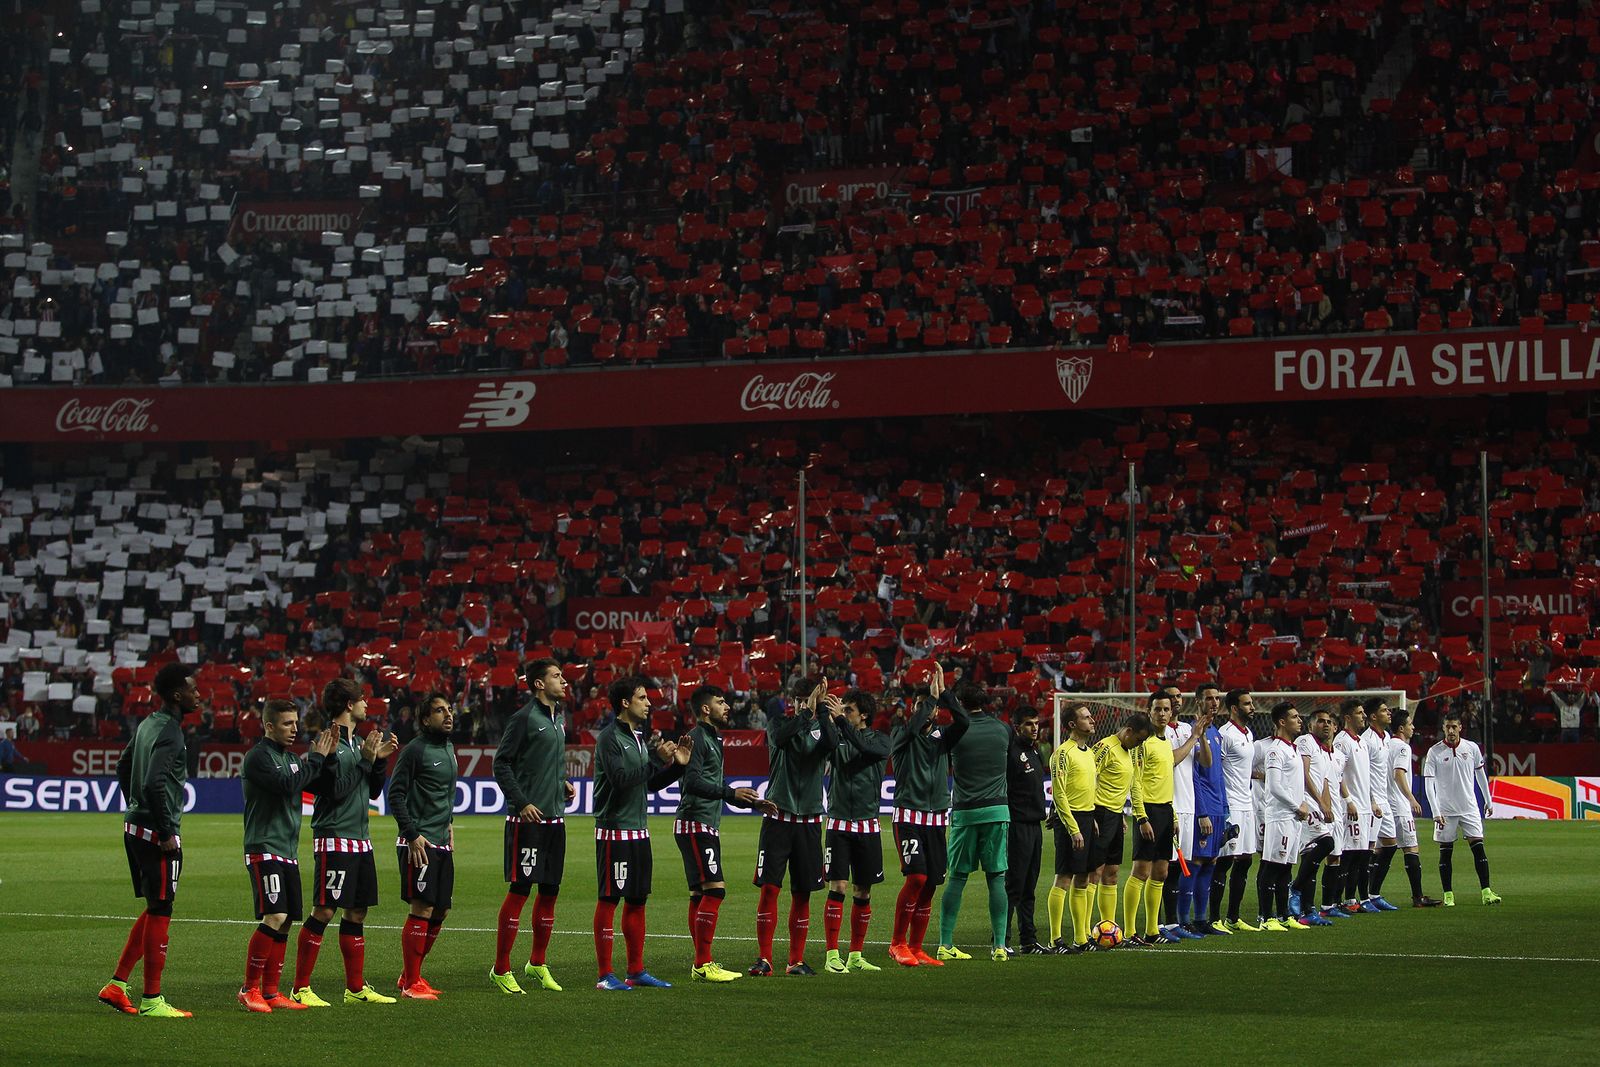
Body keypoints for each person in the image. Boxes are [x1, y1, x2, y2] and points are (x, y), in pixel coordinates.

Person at [100, 664, 198, 1018]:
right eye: (192, 689)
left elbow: (123, 766)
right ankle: (152, 999)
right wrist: (167, 830)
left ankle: (117, 984)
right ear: (177, 695)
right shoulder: (171, 731)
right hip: (157, 835)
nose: (197, 694)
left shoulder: (148, 724)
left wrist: (135, 806)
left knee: (155, 906)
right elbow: (155, 782)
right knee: (163, 908)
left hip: (134, 828)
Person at [292, 677, 397, 1007]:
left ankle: (355, 988)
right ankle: (300, 987)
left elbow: (373, 791)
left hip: (361, 839)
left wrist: (378, 761)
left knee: (357, 911)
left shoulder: (359, 742)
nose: (367, 703)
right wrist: (367, 760)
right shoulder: (328, 743)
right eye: (362, 698)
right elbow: (334, 792)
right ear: (349, 705)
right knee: (324, 910)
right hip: (334, 837)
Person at [238, 699, 336, 1013]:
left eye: (295, 723)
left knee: (286, 921)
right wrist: (315, 759)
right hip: (263, 848)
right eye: (286, 724)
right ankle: (249, 988)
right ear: (269, 726)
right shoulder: (258, 758)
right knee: (275, 916)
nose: (294, 729)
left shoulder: (292, 758)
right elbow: (286, 785)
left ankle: (270, 991)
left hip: (288, 851)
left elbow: (319, 784)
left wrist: (328, 759)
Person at [592, 676, 689, 991]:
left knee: (637, 900)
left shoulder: (636, 737)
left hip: (638, 831)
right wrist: (657, 760)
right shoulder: (609, 738)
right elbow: (621, 779)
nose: (649, 703)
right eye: (642, 698)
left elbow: (646, 784)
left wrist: (676, 767)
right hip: (614, 831)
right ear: (625, 703)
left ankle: (636, 971)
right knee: (609, 900)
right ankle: (605, 975)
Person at [676, 684, 775, 982]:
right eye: (721, 702)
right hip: (695, 822)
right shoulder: (697, 738)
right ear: (706, 709)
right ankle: (703, 964)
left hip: (703, 823)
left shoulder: (712, 738)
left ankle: (701, 963)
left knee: (699, 895)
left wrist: (751, 801)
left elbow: (707, 781)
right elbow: (691, 782)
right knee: (715, 891)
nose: (727, 706)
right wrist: (730, 794)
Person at [490, 659, 578, 994]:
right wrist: (521, 801)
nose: (563, 680)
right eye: (557, 676)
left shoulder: (559, 719)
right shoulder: (524, 718)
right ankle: (501, 969)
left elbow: (543, 764)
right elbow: (502, 763)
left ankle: (537, 963)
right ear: (539, 684)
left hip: (555, 818)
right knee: (520, 891)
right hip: (527, 820)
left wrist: (563, 782)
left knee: (550, 891)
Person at [749, 676, 838, 977]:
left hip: (810, 820)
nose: (804, 704)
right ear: (793, 701)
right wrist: (805, 712)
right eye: (800, 700)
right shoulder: (778, 724)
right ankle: (764, 959)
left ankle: (795, 960)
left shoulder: (822, 728)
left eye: (808, 699)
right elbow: (784, 738)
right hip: (778, 818)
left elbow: (833, 743)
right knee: (770, 889)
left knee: (803, 892)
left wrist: (822, 711)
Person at [886, 664, 968, 967]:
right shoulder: (901, 735)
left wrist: (944, 693)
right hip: (909, 816)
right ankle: (897, 943)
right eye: (920, 706)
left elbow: (964, 721)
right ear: (913, 708)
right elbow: (915, 723)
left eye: (929, 706)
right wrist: (930, 701)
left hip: (936, 819)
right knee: (917, 877)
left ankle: (918, 947)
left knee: (932, 881)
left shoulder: (942, 737)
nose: (927, 710)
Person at [936, 680, 1012, 961]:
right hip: (997, 811)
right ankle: (1000, 946)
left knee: (956, 878)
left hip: (966, 812)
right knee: (996, 878)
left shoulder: (954, 732)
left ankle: (945, 942)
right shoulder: (1003, 729)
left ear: (958, 703)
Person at [389, 693, 458, 1000]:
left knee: (441, 910)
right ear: (425, 719)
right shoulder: (415, 750)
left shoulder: (449, 748)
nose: (448, 714)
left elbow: (443, 793)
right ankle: (411, 983)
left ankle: (409, 975)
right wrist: (412, 833)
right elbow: (396, 794)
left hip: (441, 840)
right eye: (439, 711)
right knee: (424, 907)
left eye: (449, 709)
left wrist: (450, 823)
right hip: (419, 842)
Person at [821, 688, 890, 974]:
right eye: (843, 709)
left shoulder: (881, 741)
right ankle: (832, 955)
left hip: (868, 825)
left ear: (864, 715)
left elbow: (866, 749)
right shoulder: (836, 738)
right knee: (838, 887)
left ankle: (856, 955)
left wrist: (839, 724)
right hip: (838, 823)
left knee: (863, 891)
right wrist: (826, 715)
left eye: (848, 710)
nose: (843, 714)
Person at [1128, 692, 1195, 946]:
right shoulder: (1142, 743)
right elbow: (1134, 781)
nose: (1163, 714)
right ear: (1149, 712)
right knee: (1141, 871)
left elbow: (1167, 782)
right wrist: (1141, 816)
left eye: (1167, 709)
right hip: (1148, 812)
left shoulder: (1165, 741)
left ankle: (1151, 931)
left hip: (1166, 811)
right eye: (1158, 709)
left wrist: (1174, 814)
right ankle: (1131, 931)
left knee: (1161, 872)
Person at [1088, 711, 1153, 946]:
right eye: (1139, 739)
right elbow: (1088, 776)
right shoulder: (1105, 747)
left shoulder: (1131, 751)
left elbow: (1131, 783)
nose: (1140, 744)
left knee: (1112, 872)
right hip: (1098, 812)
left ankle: (1109, 927)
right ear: (1128, 732)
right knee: (1094, 872)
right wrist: (1090, 814)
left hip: (1115, 815)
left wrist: (1125, 814)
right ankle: (1085, 932)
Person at [1424, 712, 1501, 906]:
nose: (1451, 731)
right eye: (1447, 727)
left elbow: (1480, 774)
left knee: (1479, 849)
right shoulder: (1434, 752)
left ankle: (1486, 892)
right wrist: (1435, 811)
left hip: (1469, 808)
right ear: (1443, 728)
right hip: (1446, 811)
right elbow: (1428, 784)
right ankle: (1448, 895)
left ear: (1460, 728)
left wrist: (1488, 800)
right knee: (1445, 852)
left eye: (1454, 727)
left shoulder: (1472, 748)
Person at [1046, 702, 1097, 953]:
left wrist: (1092, 819)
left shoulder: (1088, 752)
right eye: (1086, 718)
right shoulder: (1062, 754)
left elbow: (1087, 788)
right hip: (1070, 820)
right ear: (1072, 725)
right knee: (1064, 877)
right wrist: (1073, 827)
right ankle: (1055, 939)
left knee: (1083, 878)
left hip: (1087, 817)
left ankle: (1081, 938)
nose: (1092, 720)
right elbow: (1059, 794)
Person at [1257, 702, 1311, 933]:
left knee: (1286, 868)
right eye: (1294, 717)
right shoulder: (1275, 750)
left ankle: (1283, 915)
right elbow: (1275, 786)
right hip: (1281, 816)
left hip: (1293, 817)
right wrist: (1296, 805)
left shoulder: (1293, 749)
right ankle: (1266, 918)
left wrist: (1303, 803)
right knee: (1271, 867)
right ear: (1281, 722)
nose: (1299, 721)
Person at [1210, 689, 1260, 932]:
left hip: (1247, 804)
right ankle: (1213, 918)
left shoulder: (1249, 733)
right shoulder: (1224, 734)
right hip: (1231, 806)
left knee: (1246, 860)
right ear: (1234, 708)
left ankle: (1233, 917)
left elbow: (1242, 769)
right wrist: (1223, 808)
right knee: (1225, 862)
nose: (1252, 707)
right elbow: (1216, 772)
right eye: (1247, 703)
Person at [1004, 705, 1048, 954]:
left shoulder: (1034, 752)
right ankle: (1002, 940)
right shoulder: (1010, 753)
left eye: (1036, 723)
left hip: (1035, 826)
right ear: (1017, 726)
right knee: (1014, 885)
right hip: (1017, 826)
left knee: (1029, 886)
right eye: (1029, 724)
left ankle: (1028, 941)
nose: (1034, 728)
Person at [1289, 709, 1339, 927]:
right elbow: (1304, 774)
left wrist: (1327, 806)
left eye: (1329, 721)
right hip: (1305, 804)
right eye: (1320, 721)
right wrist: (1319, 802)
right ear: (1311, 726)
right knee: (1325, 844)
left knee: (1313, 857)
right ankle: (1296, 888)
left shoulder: (1324, 750)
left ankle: (1307, 910)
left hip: (1317, 806)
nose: (1326, 725)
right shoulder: (1305, 741)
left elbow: (1325, 781)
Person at [1387, 711, 1442, 907]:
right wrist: (1411, 799)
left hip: (1386, 806)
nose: (1413, 728)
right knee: (1411, 848)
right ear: (1401, 728)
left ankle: (1368, 895)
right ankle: (1418, 897)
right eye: (1410, 724)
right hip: (1400, 806)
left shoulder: (1385, 743)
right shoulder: (1402, 747)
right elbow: (1399, 774)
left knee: (1381, 850)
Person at [1187, 686, 1230, 935]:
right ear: (1198, 701)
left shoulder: (1215, 732)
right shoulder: (1191, 732)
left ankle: (1202, 920)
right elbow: (1195, 776)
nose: (1214, 703)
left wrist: (1224, 808)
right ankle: (1184, 920)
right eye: (1209, 699)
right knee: (1196, 861)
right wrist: (1201, 812)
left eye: (1217, 698)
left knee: (1211, 862)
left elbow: (1218, 775)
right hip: (1202, 808)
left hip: (1217, 808)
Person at [1333, 700, 1383, 914]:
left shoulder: (1361, 741)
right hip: (1351, 807)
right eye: (1359, 713)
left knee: (1362, 854)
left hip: (1364, 806)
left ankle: (1356, 899)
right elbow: (1338, 774)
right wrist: (1348, 800)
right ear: (1348, 717)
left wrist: (1371, 801)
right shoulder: (1342, 742)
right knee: (1349, 855)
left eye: (1364, 713)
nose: (1364, 716)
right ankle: (1340, 900)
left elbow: (1366, 776)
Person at [1360, 697, 1401, 910]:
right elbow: (1362, 774)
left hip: (1383, 801)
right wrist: (1371, 800)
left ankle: (1374, 893)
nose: (1389, 713)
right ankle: (1361, 897)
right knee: (1366, 850)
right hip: (1371, 802)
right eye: (1385, 710)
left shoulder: (1386, 737)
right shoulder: (1366, 740)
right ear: (1373, 716)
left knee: (1391, 845)